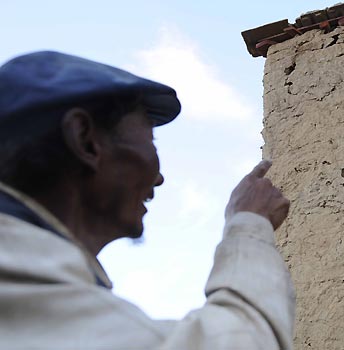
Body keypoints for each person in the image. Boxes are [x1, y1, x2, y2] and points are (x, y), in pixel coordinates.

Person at [0, 51, 295, 349]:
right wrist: (248, 224)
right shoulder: (18, 281)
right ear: (85, 139)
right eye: (150, 141)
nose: (159, 178)